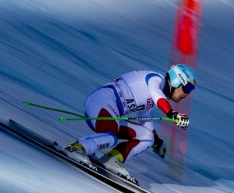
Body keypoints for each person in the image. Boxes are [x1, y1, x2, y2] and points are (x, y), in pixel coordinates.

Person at [64, 64, 196, 183]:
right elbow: (157, 96)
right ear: (176, 80)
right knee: (111, 137)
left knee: (146, 137)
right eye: (187, 88)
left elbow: (144, 116)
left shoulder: (155, 93)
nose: (187, 94)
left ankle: (112, 159)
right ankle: (77, 147)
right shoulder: (156, 79)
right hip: (101, 103)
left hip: (109, 110)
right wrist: (172, 114)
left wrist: (156, 141)